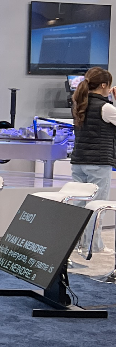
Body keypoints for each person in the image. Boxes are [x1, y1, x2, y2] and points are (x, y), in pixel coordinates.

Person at [70, 67, 116, 251]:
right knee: (97, 206)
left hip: (78, 161)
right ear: (104, 85)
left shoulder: (79, 105)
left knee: (79, 205)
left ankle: (75, 244)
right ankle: (93, 246)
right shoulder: (106, 108)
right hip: (99, 162)